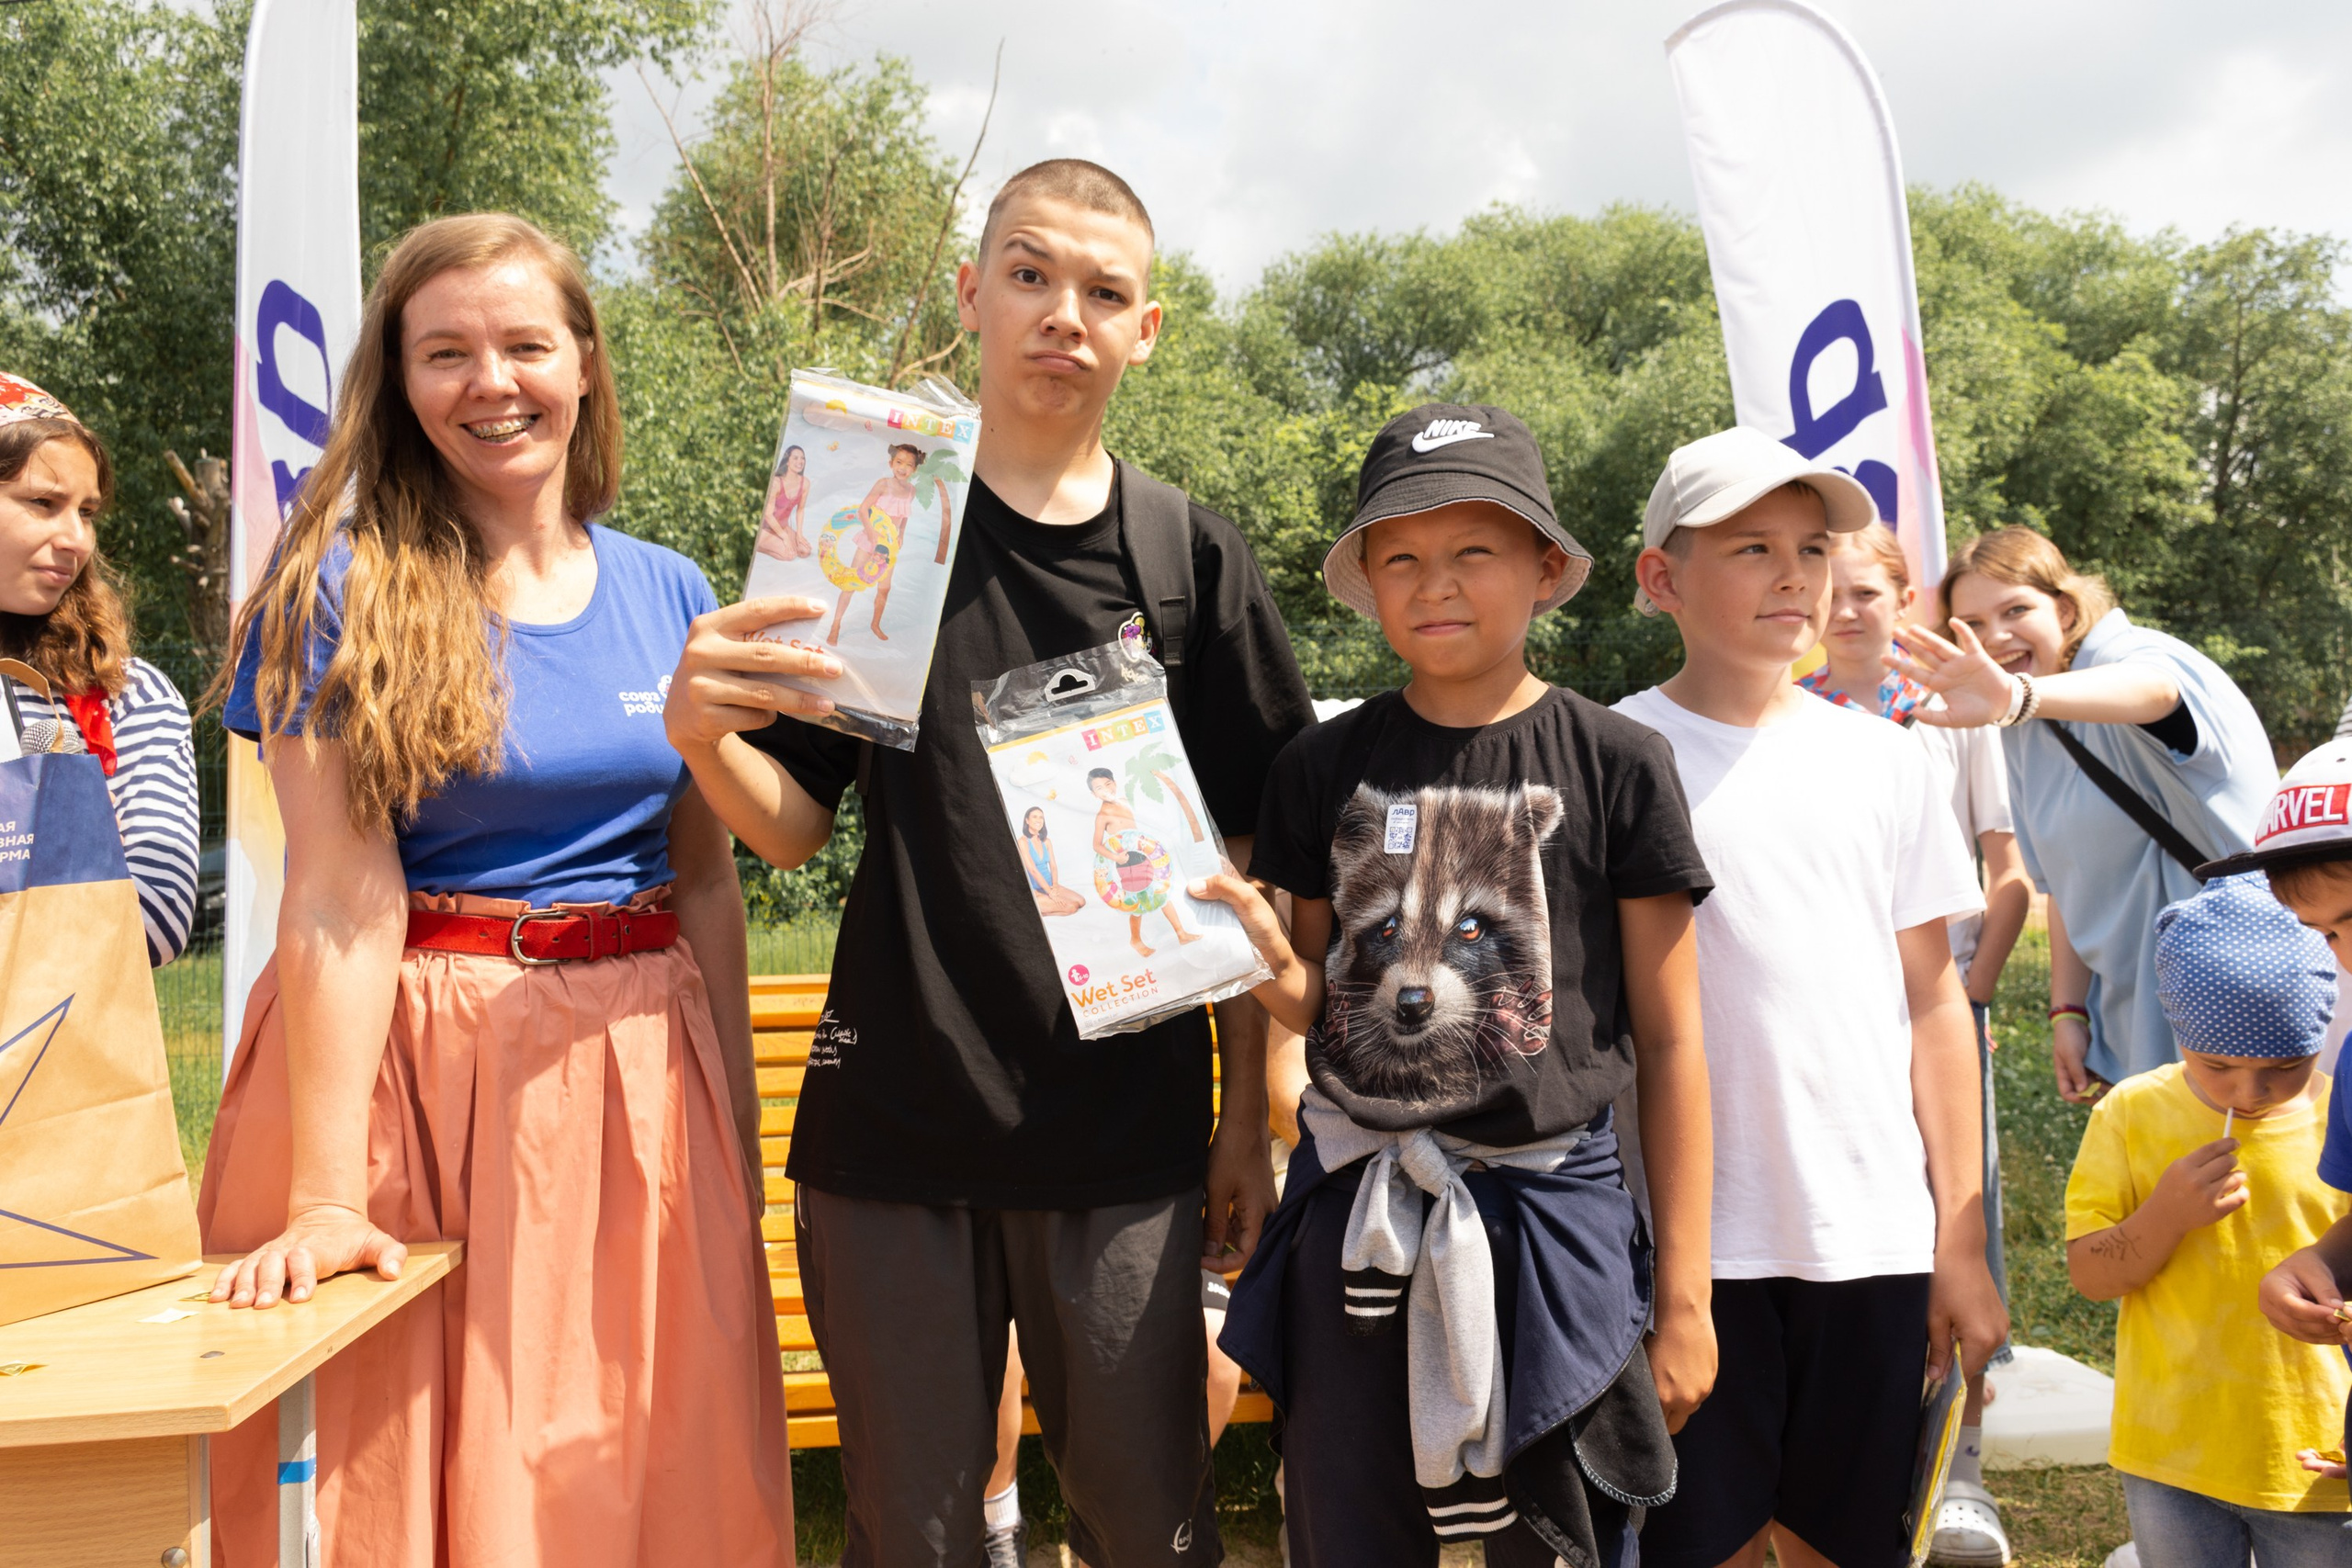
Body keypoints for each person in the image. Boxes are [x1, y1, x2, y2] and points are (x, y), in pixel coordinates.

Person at [663, 158, 1313, 1566]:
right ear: (971, 294)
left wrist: (1248, 1116)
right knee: (920, 1538)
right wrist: (701, 738)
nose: (1061, 313)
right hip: (893, 1129)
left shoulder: (1191, 558)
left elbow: (1248, 854)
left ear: (1150, 329)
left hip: (1128, 1139)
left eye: (1103, 289)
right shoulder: (874, 529)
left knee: (1153, 1526)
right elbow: (793, 821)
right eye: (1028, 273)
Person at [196, 213, 792, 1566]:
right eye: (446, 351)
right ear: (397, 382)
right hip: (424, 1063)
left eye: (527, 343)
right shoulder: (332, 589)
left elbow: (705, 882)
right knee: (402, 1468)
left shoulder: (670, 590)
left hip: (641, 1068)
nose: (493, 381)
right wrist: (326, 1195)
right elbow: (341, 897)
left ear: (583, 363)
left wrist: (731, 1134)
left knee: (640, 1455)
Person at [1196, 403, 1716, 1565]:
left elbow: (1674, 1043)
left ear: (1543, 567)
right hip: (1358, 1216)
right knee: (1347, 1531)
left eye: (1472, 551)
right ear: (1367, 582)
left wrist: (1685, 1296)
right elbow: (1322, 1000)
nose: (1437, 584)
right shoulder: (1319, 768)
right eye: (1402, 559)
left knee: (1570, 1539)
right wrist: (1267, 964)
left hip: (1554, 1215)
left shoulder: (1618, 764)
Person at [1617, 426, 2007, 1568]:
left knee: (1848, 1542)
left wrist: (1962, 1239)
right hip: (1694, 1248)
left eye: (1809, 546)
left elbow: (1934, 1005)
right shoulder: (1610, 752)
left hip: (1872, 1237)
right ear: (1661, 578)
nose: (1794, 574)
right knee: (1711, 1543)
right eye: (1749, 548)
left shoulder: (1887, 762)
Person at [1800, 525, 2034, 1565]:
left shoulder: (1951, 718)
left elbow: (2006, 871)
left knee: (1958, 1224)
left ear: (1909, 603)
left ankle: (1960, 1471)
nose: (1849, 609)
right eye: (1831, 589)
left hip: (1939, 1009)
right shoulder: (1788, 715)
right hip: (1835, 1023)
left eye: (1870, 592)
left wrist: (1966, 1003)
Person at [1894, 526, 2277, 1100]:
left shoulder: (2128, 655)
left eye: (2016, 609)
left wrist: (2015, 696)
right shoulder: (2025, 730)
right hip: (2133, 1022)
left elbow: (2158, 694)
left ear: (2066, 608)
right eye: (1971, 624)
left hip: (2239, 1010)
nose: (1994, 636)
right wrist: (2068, 1012)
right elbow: (2065, 886)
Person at [2064, 873, 2351, 1558]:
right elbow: (2090, 1275)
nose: (2248, 1091)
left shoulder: (2340, 1114)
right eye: (2218, 1065)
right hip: (2170, 1454)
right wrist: (2164, 1214)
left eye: (2283, 1066)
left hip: (2313, 1460)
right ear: (2179, 1027)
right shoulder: (2132, 1113)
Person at [0, 373, 200, 967]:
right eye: (44, 503)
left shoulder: (124, 696)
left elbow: (155, 917)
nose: (75, 538)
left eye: (86, 512)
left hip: (46, 1049)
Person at [1019, 805, 1087, 916]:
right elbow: (1032, 870)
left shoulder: (1046, 841)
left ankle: (1047, 902)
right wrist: (1050, 893)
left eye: (1041, 817)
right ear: (1027, 820)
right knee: (1072, 907)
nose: (1038, 820)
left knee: (1081, 902)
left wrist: (1055, 886)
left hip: (1050, 885)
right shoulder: (1023, 842)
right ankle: (1043, 913)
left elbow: (1053, 866)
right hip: (1035, 889)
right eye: (1034, 817)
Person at [755, 443, 811, 561]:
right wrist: (785, 537)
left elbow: (800, 510)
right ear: (787, 461)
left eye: (802, 458)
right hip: (765, 529)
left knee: (805, 551)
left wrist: (799, 534)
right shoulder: (776, 483)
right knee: (789, 555)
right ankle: (758, 544)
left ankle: (776, 540)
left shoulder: (805, 483)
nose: (800, 461)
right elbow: (768, 515)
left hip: (783, 526)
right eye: (795, 458)